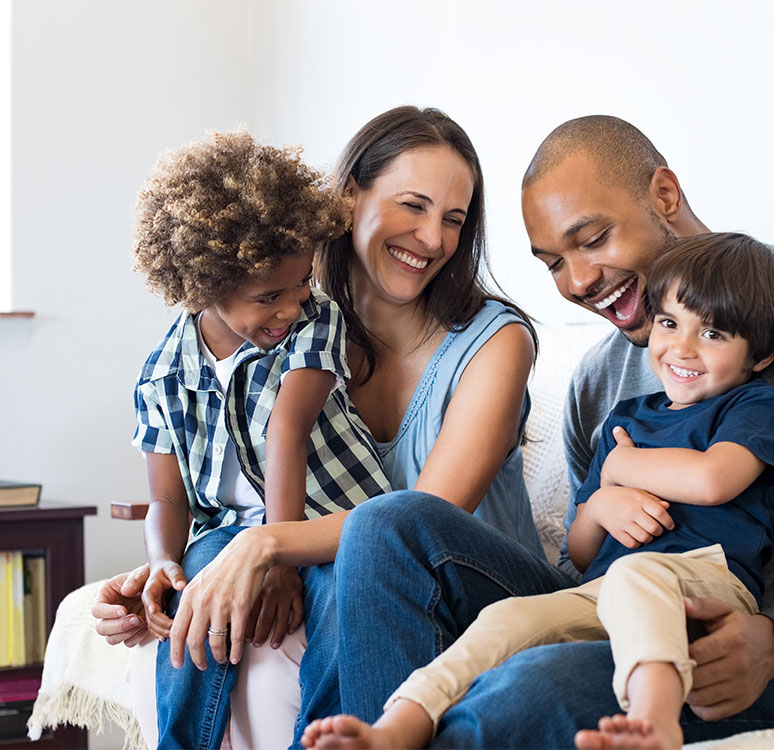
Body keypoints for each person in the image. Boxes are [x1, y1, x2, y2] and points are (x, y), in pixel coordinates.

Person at [323, 114, 774, 747]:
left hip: (757, 655)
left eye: (593, 238)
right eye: (553, 264)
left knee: (528, 688)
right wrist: (600, 507)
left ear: (663, 195)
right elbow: (585, 560)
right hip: (614, 610)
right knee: (389, 525)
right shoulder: (599, 381)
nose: (577, 283)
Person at [92, 106, 554, 749]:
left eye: (453, 219)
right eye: (413, 206)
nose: (432, 238)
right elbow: (216, 483)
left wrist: (266, 545)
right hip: (349, 569)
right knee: (218, 584)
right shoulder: (290, 330)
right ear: (346, 200)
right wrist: (169, 572)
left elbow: (423, 520)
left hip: (471, 591)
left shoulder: (494, 343)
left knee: (364, 551)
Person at [301, 232, 774, 750]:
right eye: (669, 323)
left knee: (637, 573)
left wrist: (622, 466)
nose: (682, 348)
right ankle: (398, 726)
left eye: (713, 334)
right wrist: (602, 501)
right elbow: (582, 553)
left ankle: (656, 720)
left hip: (707, 585)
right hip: (601, 591)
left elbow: (712, 479)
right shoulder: (626, 418)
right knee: (507, 618)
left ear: (759, 355)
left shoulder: (756, 407)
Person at [128, 129, 391, 750]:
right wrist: (165, 561)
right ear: (202, 286)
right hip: (226, 533)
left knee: (340, 604)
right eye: (268, 296)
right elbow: (168, 500)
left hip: (333, 520)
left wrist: (278, 557)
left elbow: (286, 431)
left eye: (300, 283)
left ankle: (325, 740)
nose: (290, 306)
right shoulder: (162, 375)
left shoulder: (314, 319)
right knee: (197, 593)